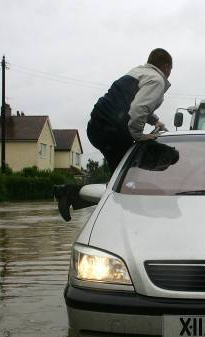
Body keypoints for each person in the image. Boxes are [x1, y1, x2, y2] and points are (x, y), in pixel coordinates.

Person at [54, 48, 173, 221]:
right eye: (170, 70)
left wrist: (154, 121)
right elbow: (138, 108)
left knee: (119, 180)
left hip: (97, 126)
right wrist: (138, 135)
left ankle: (72, 195)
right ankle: (69, 194)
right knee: (127, 182)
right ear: (166, 66)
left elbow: (128, 102)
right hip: (112, 130)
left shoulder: (138, 72)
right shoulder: (156, 80)